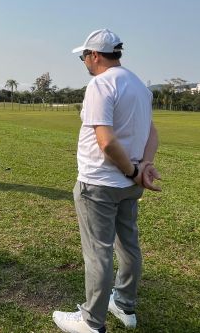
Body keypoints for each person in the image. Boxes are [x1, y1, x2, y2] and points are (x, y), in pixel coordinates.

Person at [53, 29, 162, 333]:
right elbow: (152, 133)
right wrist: (143, 167)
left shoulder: (100, 84)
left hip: (99, 183)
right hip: (129, 185)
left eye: (83, 56)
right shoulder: (140, 86)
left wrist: (131, 170)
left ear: (96, 55)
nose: (84, 61)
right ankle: (124, 305)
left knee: (98, 253)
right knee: (128, 246)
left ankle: (91, 321)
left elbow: (106, 142)